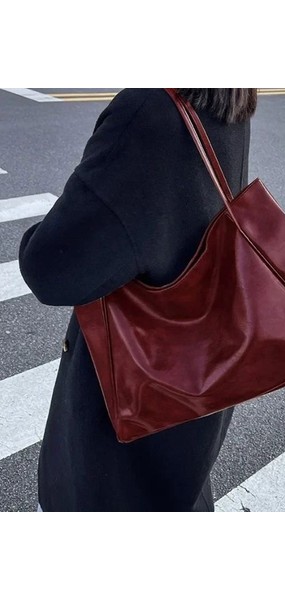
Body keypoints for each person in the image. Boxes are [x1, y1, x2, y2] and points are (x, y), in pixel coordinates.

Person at [18, 88, 257, 512]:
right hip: (188, 403)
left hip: (117, 431)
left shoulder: (149, 110)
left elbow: (50, 268)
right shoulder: (226, 97)